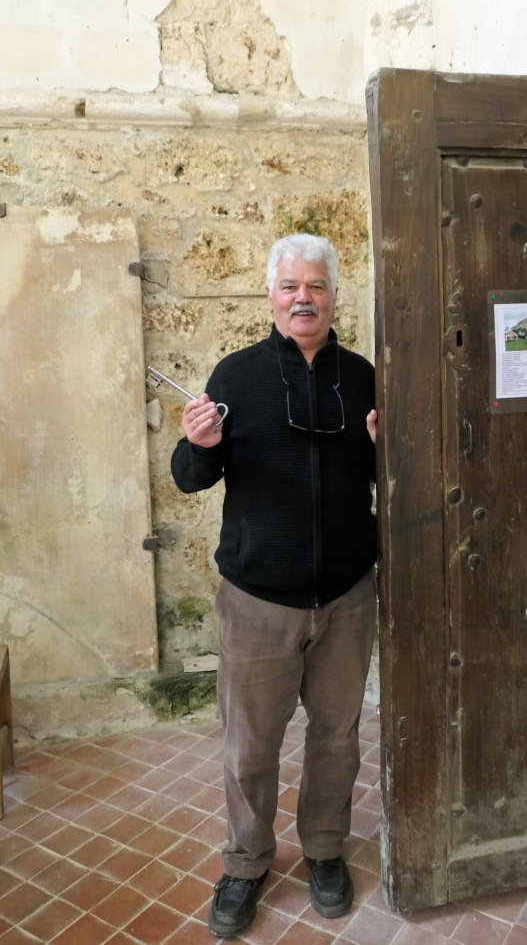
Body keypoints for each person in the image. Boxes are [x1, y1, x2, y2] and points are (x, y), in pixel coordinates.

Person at [171, 233, 379, 938]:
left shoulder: (364, 376)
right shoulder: (236, 375)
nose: (302, 297)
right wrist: (198, 444)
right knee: (250, 745)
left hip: (347, 597)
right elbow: (190, 475)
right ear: (270, 296)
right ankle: (246, 860)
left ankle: (323, 850)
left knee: (337, 738)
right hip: (258, 602)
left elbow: (388, 478)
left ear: (333, 296)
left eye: (315, 286)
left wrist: (389, 450)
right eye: (289, 286)